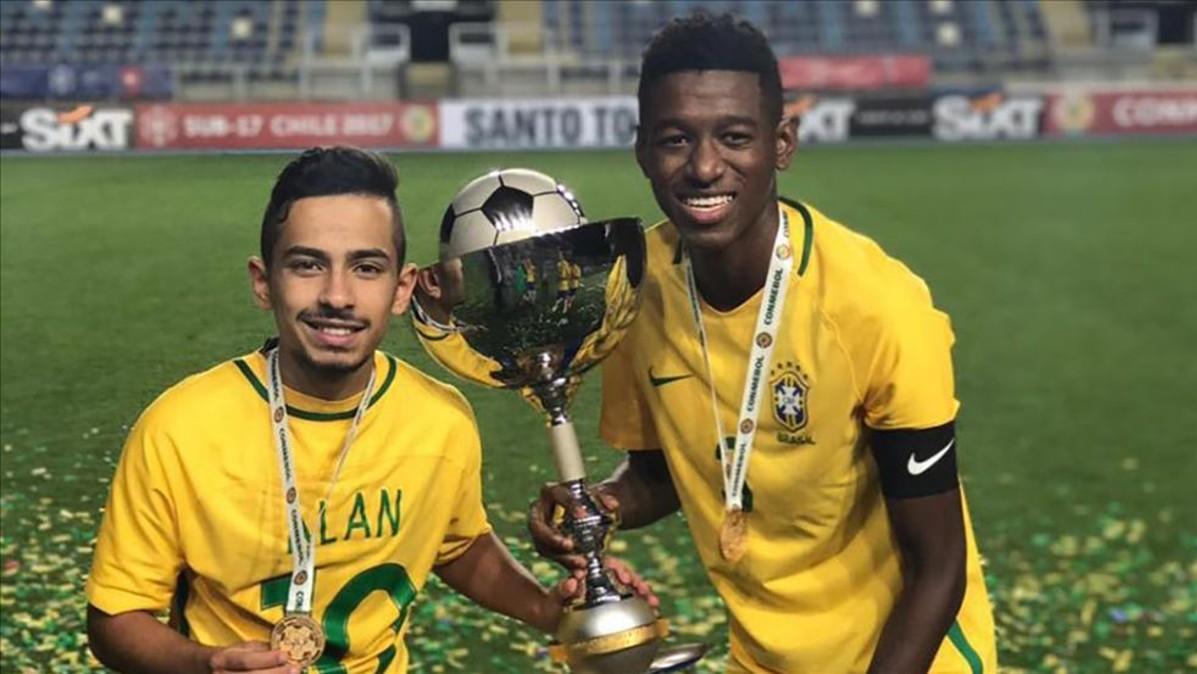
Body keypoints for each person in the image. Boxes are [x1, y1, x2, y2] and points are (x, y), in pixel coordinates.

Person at [529, 13, 997, 674]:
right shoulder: (635, 290)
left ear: (782, 143)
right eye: (674, 139)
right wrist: (601, 508)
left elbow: (938, 567)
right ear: (641, 149)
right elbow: (658, 475)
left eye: (735, 137)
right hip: (763, 657)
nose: (704, 166)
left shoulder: (878, 307)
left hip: (910, 656)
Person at [85, 146, 651, 674]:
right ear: (264, 282)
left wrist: (555, 610)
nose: (337, 295)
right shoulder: (181, 426)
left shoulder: (440, 420)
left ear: (403, 289)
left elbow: (457, 546)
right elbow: (114, 622)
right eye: (308, 265)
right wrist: (208, 665)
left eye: (366, 267)